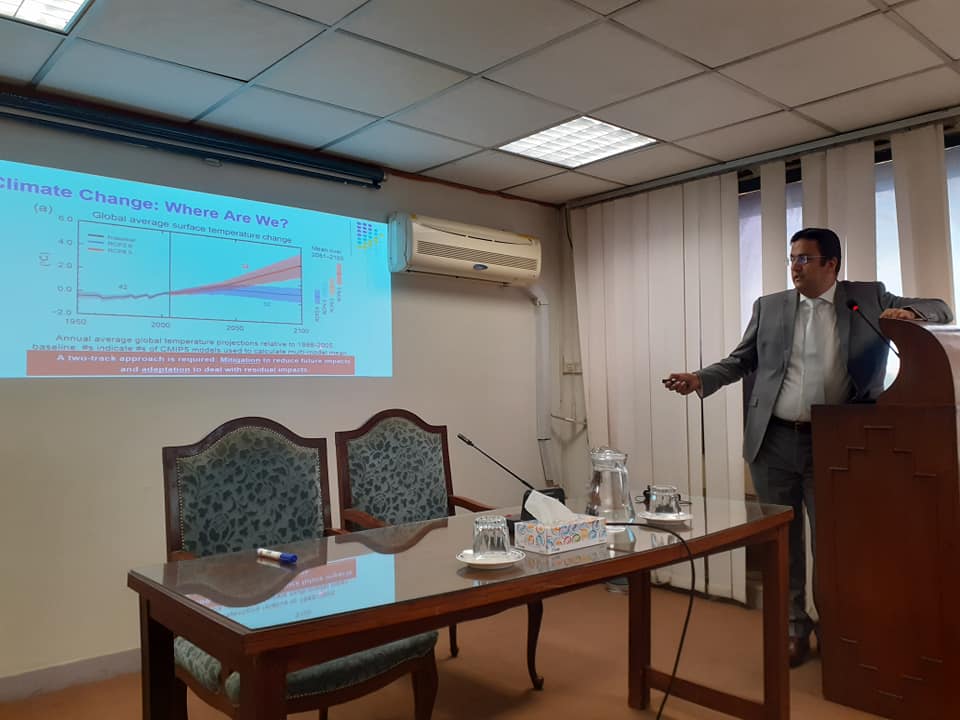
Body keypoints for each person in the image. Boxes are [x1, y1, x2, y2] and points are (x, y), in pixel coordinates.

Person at [663, 227, 952, 668]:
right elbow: (742, 360)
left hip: (837, 445)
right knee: (782, 543)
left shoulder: (867, 297)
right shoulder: (770, 306)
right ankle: (794, 629)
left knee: (835, 545)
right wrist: (701, 378)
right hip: (774, 440)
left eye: (804, 259)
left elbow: (941, 307)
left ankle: (840, 630)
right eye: (792, 258)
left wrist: (908, 313)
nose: (795, 267)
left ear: (831, 264)